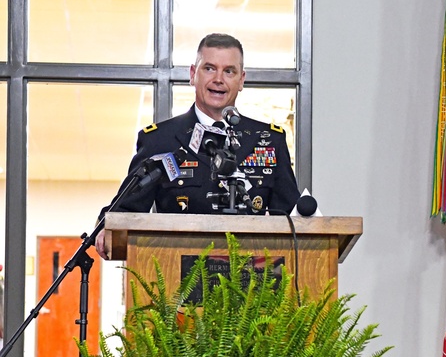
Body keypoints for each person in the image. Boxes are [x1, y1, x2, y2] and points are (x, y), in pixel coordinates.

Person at [95, 33, 299, 259]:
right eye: (209, 68)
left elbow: (293, 217)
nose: (218, 79)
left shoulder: (269, 140)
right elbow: (125, 210)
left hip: (252, 283)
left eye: (229, 71)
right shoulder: (160, 139)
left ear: (241, 80)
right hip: (177, 280)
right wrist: (108, 225)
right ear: (193, 75)